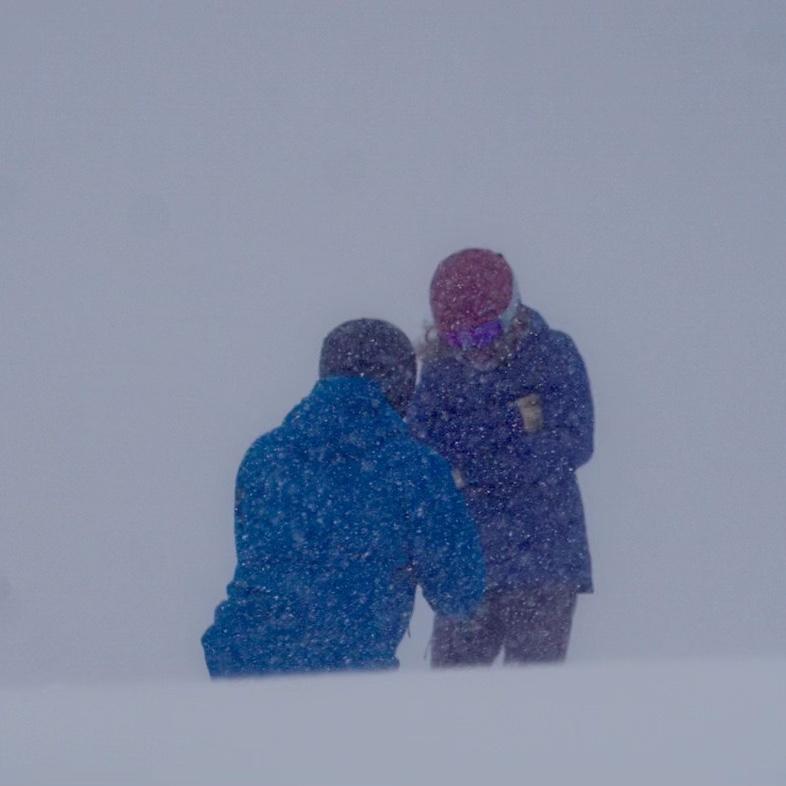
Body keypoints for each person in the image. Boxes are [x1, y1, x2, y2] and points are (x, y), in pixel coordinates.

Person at [202, 318, 485, 677]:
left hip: (242, 665)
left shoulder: (264, 455)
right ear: (401, 385)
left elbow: (266, 561)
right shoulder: (415, 469)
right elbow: (459, 595)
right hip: (345, 678)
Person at [408, 249, 593, 666]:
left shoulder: (554, 355)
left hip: (544, 563)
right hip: (469, 563)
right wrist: (514, 420)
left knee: (534, 701)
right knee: (453, 705)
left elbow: (574, 443)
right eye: (458, 340)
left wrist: (470, 462)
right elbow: (425, 451)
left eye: (485, 333)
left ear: (513, 313)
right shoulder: (440, 371)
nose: (474, 350)